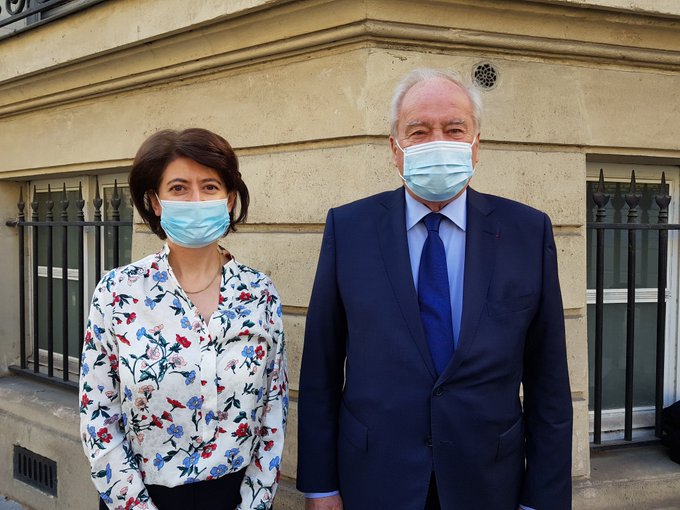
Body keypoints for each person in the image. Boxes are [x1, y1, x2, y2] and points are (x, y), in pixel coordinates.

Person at [296, 69, 572, 510]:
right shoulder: (349, 229)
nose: (437, 141)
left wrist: (544, 499)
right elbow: (320, 371)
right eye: (419, 131)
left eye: (454, 129)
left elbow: (549, 383)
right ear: (395, 149)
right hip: (374, 479)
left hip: (488, 481)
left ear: (476, 145)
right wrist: (320, 485)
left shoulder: (526, 231)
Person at [79, 128, 288, 510]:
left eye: (210, 186)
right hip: (142, 498)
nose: (195, 199)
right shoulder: (118, 292)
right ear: (155, 202)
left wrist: (255, 502)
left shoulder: (259, 293)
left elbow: (274, 411)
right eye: (178, 188)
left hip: (237, 497)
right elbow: (98, 416)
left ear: (228, 199)